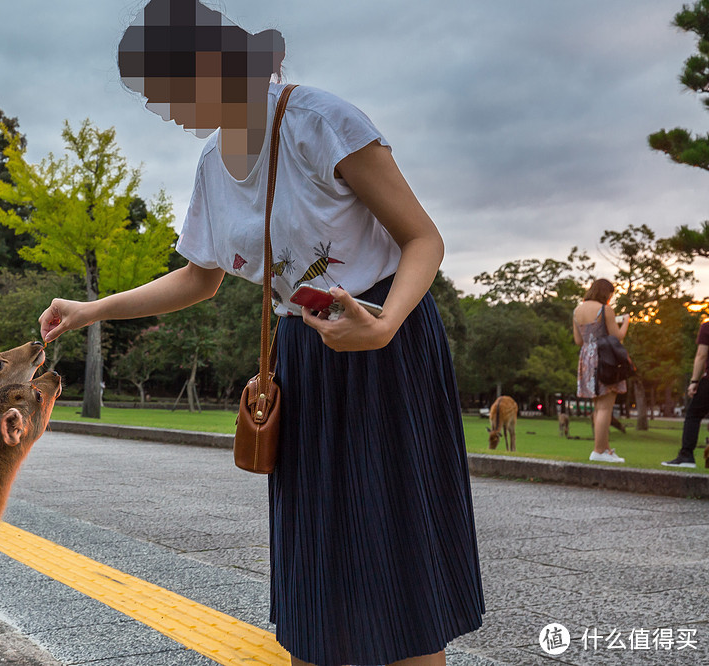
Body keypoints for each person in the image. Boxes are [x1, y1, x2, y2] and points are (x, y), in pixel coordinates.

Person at [40, 1, 485, 664]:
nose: (162, 110)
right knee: (317, 561)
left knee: (395, 565)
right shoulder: (211, 167)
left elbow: (423, 238)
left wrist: (387, 323)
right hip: (301, 359)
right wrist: (91, 309)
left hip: (382, 342)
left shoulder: (320, 121)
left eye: (165, 91)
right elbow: (199, 277)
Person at [572, 278, 630, 463]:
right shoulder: (605, 310)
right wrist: (626, 322)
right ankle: (598, 450)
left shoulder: (577, 310)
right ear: (606, 293)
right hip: (604, 358)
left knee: (598, 406)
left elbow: (578, 341)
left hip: (586, 357)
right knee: (606, 406)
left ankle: (605, 449)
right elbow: (617, 336)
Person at [662, 319, 709, 468]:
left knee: (693, 415)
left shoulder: (707, 327)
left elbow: (701, 355)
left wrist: (694, 381)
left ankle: (686, 455)